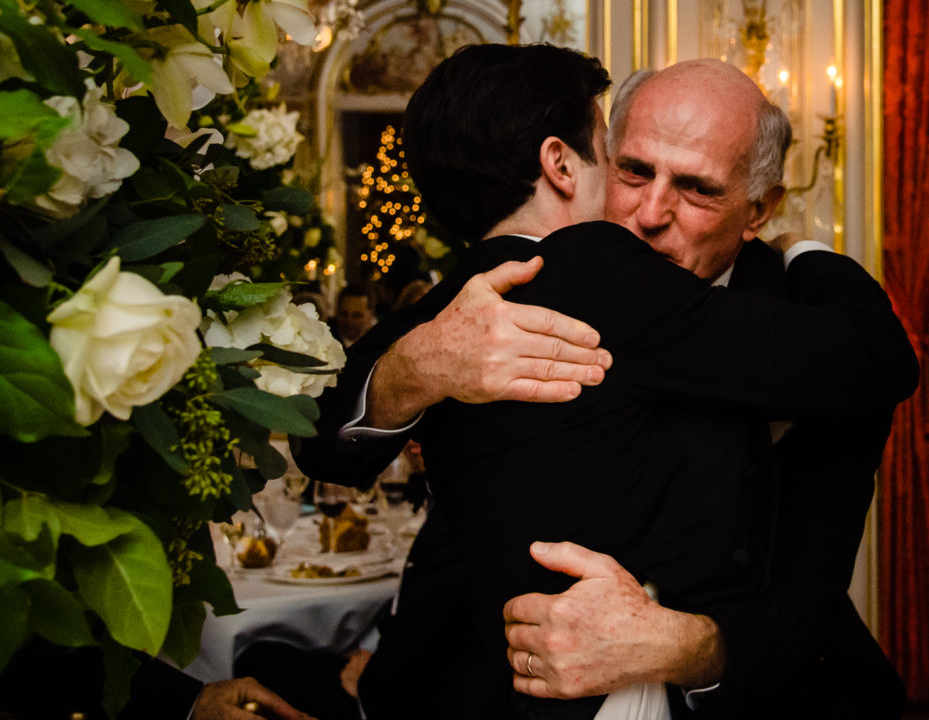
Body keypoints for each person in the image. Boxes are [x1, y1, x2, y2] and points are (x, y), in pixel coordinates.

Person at [294, 46, 916, 719]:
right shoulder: (521, 284)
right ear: (579, 160)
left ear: (758, 209)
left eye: (698, 189)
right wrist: (419, 368)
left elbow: (809, 580)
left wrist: (695, 649)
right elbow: (327, 434)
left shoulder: (813, 331)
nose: (649, 213)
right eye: (632, 169)